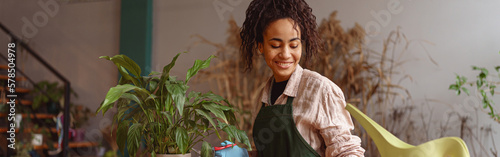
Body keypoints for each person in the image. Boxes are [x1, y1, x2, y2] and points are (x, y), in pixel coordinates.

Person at [239, 0, 365, 156]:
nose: (285, 54)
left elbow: (347, 151)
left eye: (293, 45)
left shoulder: (320, 90)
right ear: (260, 46)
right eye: (275, 45)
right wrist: (243, 155)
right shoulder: (262, 99)